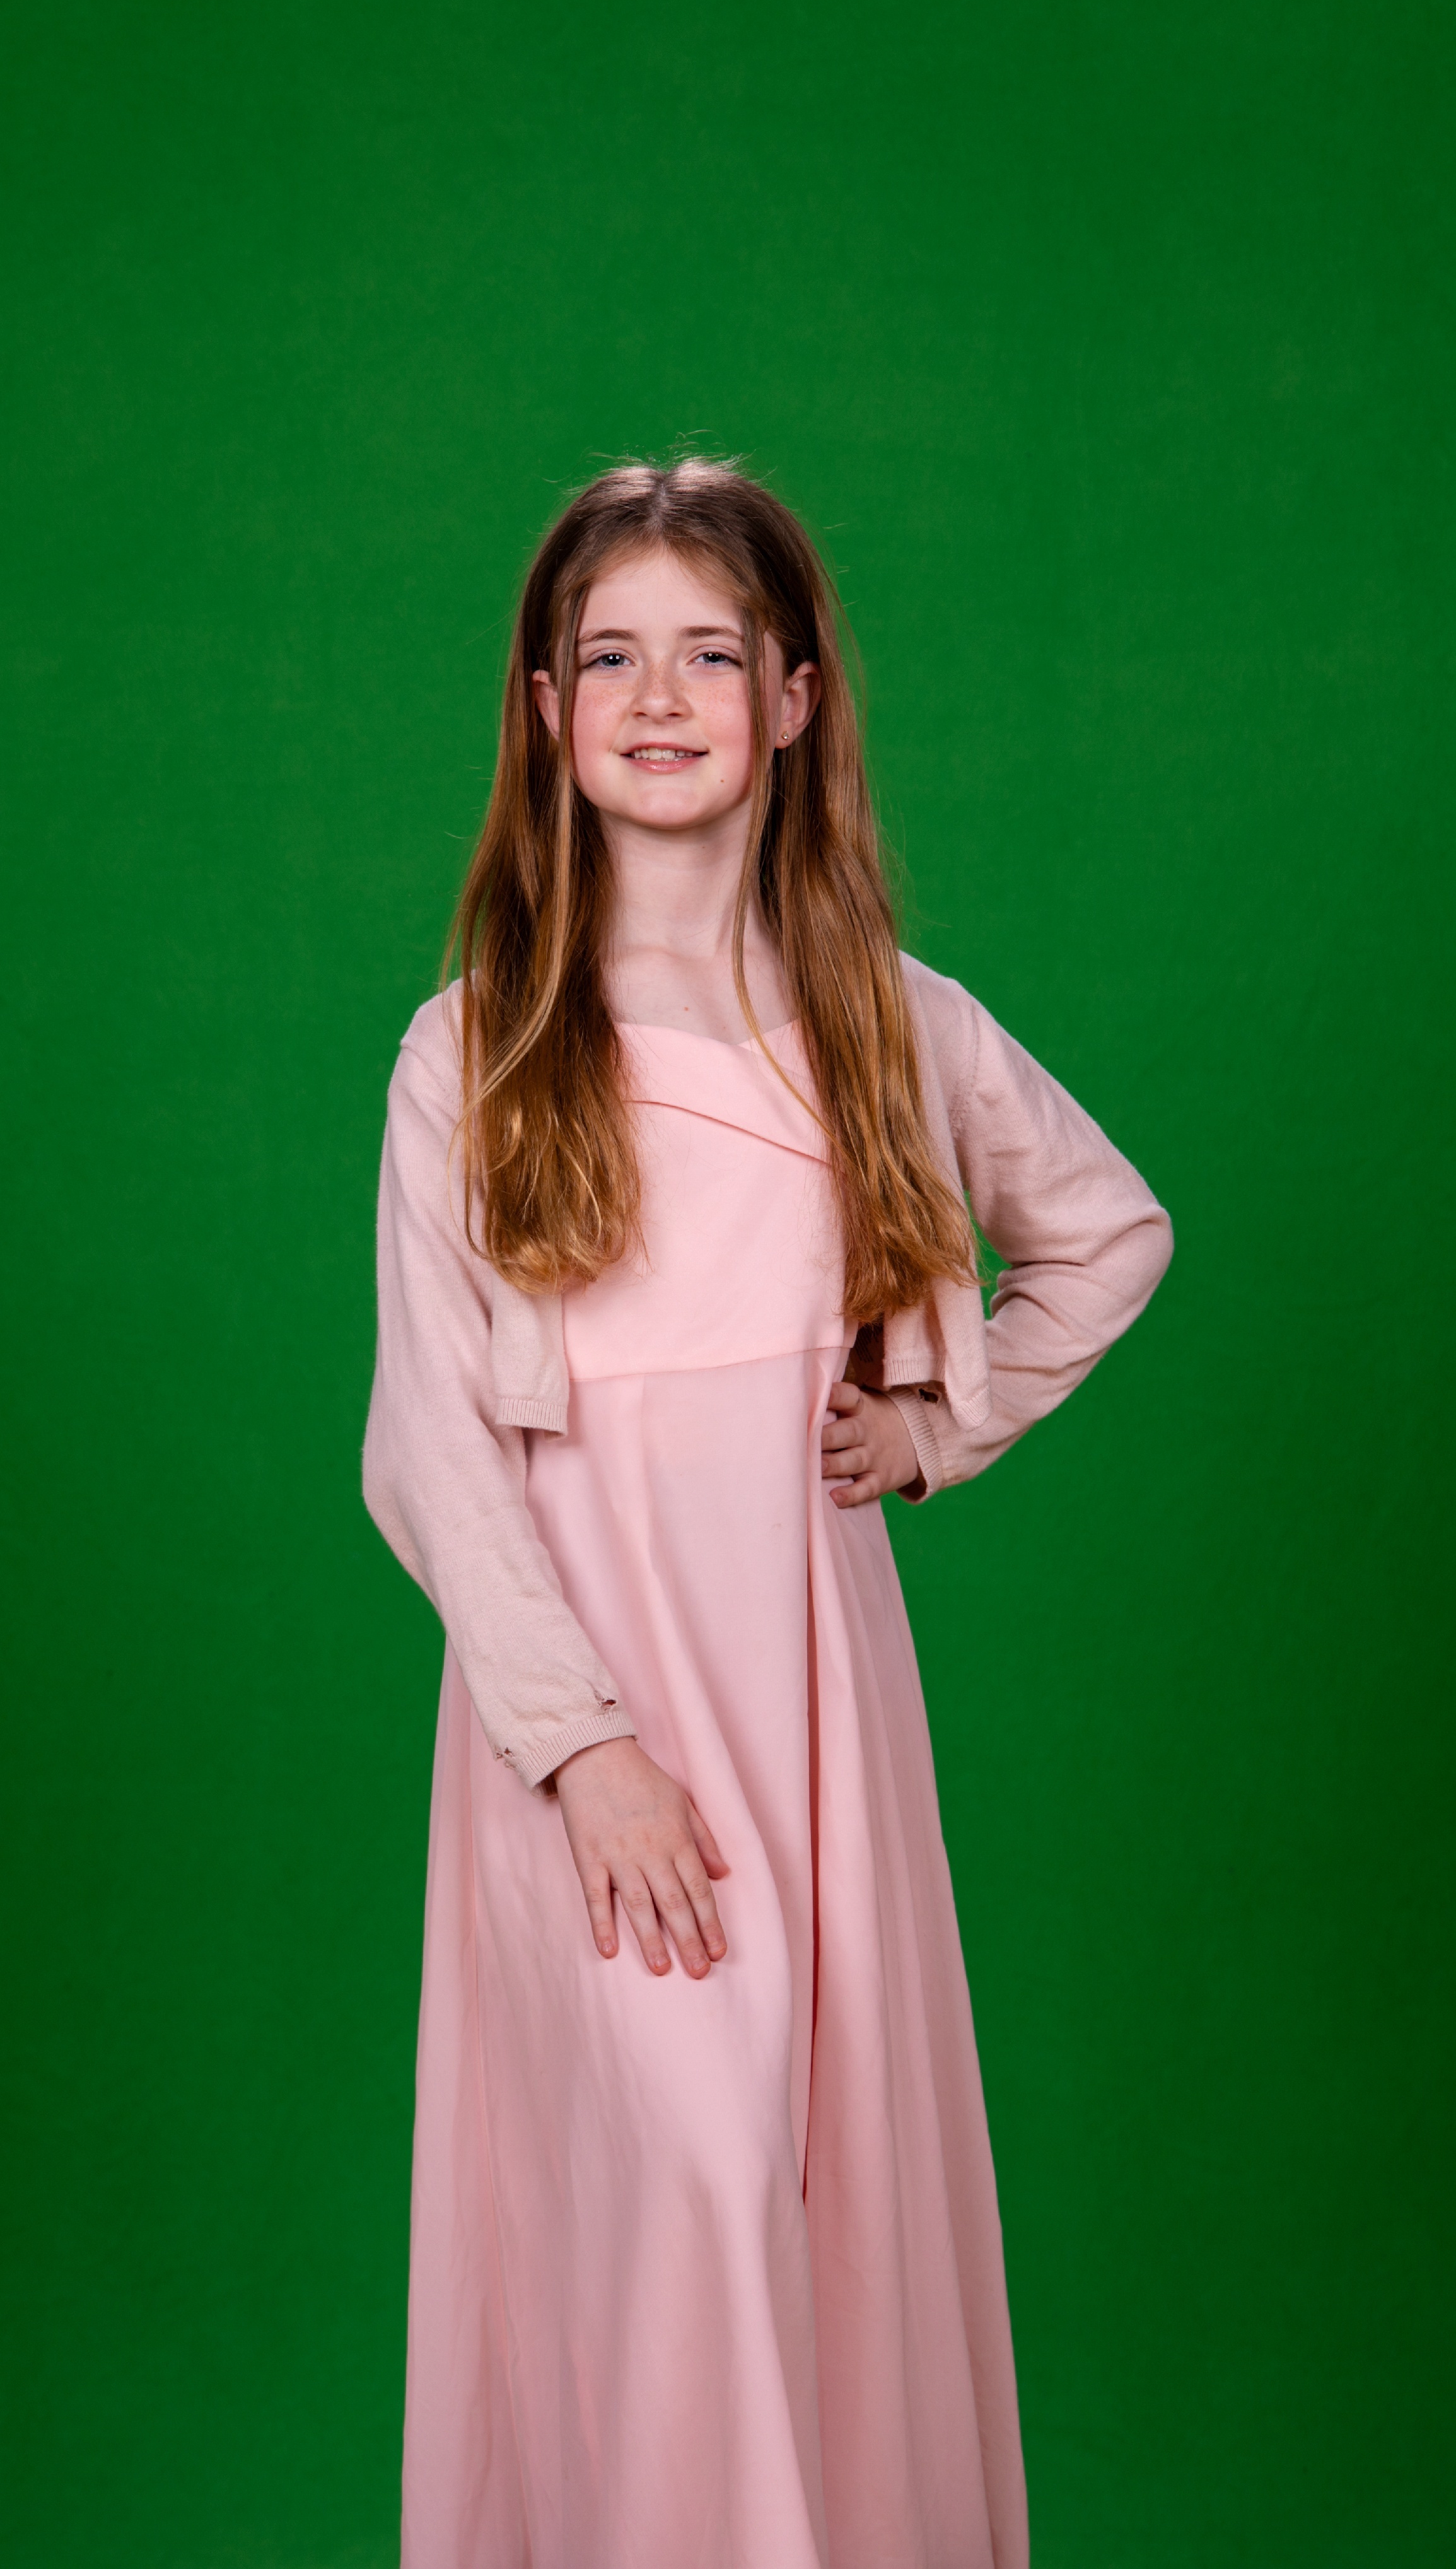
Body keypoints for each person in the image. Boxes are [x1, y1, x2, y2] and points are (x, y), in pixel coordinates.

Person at [363, 457, 1171, 2569]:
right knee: (689, 2181)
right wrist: (584, 1750)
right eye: (610, 658)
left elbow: (1108, 1235)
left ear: (795, 700)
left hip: (810, 1699)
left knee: (816, 2197)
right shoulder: (476, 1054)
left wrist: (935, 1425)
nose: (660, 699)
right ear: (547, 710)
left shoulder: (888, 1023)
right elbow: (432, 1450)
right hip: (588, 1728)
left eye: (711, 656)